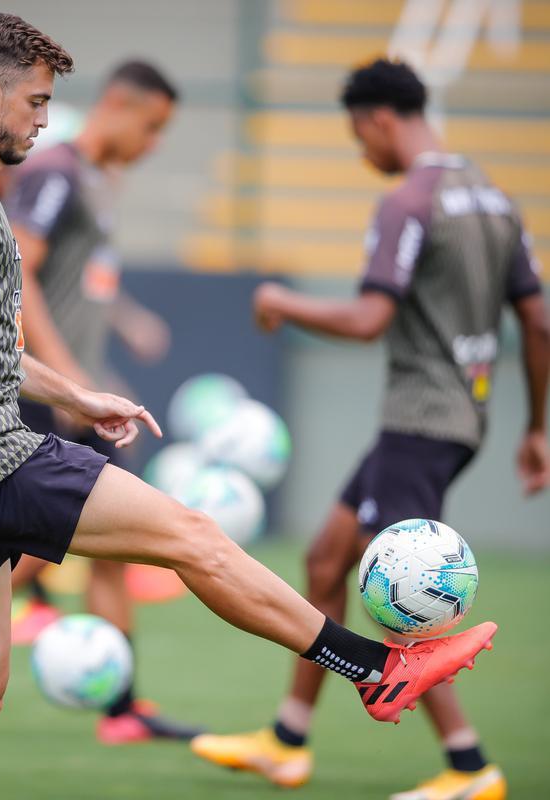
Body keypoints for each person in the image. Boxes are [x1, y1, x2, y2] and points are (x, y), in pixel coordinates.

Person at [0, 19, 496, 799]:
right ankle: (376, 670)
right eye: (36, 102)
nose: (44, 120)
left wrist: (77, 394)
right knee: (194, 536)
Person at [190, 59, 549, 800]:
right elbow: (539, 320)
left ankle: (469, 764)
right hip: (459, 417)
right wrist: (538, 425)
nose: (363, 152)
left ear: (382, 118)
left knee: (401, 592)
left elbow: (367, 319)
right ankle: (287, 739)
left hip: (419, 419)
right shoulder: (491, 195)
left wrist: (283, 302)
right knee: (327, 557)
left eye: (360, 134)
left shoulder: (409, 201)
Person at [3, 60, 197, 744]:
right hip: (44, 395)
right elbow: (18, 274)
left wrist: (125, 324)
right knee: (28, 553)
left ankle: (121, 710)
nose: (155, 143)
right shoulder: (54, 172)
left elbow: (80, 282)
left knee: (117, 551)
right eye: (153, 126)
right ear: (117, 104)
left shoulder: (93, 180)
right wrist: (67, 383)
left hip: (73, 389)